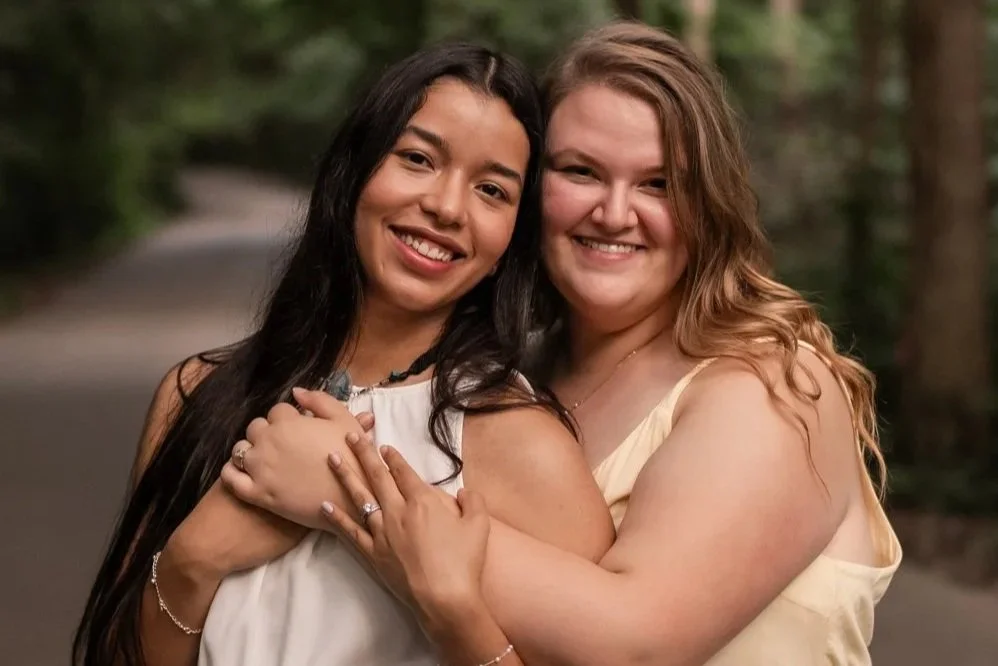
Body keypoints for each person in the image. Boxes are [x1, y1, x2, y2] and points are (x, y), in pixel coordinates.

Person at [304, 21, 903, 666]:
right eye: (581, 171)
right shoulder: (514, 375)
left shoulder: (770, 388)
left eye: (658, 184)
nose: (615, 214)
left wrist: (345, 490)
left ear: (708, 202)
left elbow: (637, 643)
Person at [71, 42, 613, 666]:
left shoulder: (523, 446)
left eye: (491, 190)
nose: (446, 206)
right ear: (355, 170)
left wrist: (446, 603)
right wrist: (195, 558)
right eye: (417, 159)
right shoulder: (196, 395)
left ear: (510, 242)